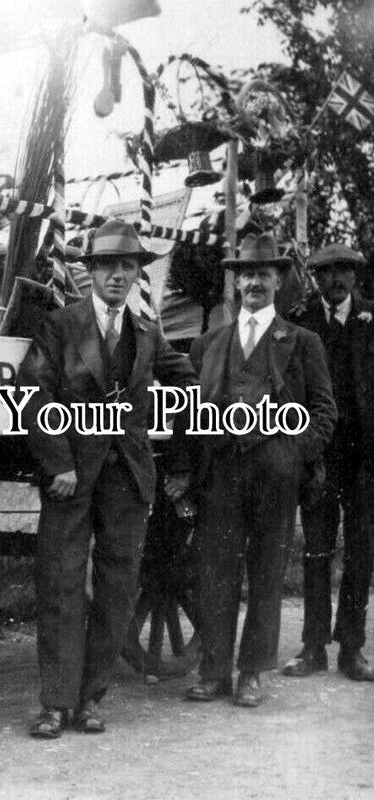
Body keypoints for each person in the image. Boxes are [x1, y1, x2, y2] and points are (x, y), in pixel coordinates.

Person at [17, 218, 197, 738]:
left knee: (118, 588)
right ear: (90, 271)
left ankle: (90, 700)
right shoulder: (60, 325)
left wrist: (178, 447)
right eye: (107, 266)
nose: (118, 275)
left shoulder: (146, 332)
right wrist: (59, 464)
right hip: (72, 477)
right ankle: (55, 703)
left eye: (128, 266)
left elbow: (189, 383)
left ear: (138, 273)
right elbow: (33, 393)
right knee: (61, 585)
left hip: (127, 480)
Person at [185, 232, 336, 707]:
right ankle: (214, 672)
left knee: (267, 570)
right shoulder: (207, 345)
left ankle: (251, 672)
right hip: (221, 473)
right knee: (215, 571)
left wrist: (293, 454)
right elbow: (186, 415)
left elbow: (325, 412)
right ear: (235, 282)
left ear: (278, 281)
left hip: (275, 475)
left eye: (263, 274)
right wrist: (188, 473)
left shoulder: (303, 342)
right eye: (246, 274)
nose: (254, 282)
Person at [283, 244, 374, 681]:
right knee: (316, 550)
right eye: (327, 273)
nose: (337, 280)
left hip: (365, 460)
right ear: (315, 278)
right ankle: (313, 645)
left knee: (362, 550)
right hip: (318, 455)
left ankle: (352, 648)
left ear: (356, 277)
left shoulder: (372, 320)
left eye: (345, 272)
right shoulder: (300, 323)